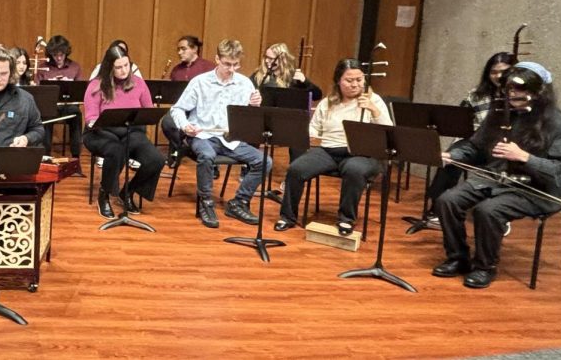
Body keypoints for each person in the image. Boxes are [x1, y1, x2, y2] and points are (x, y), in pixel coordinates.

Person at [432, 62, 561, 289]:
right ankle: (458, 257)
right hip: (494, 178)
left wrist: (525, 157)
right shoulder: (500, 114)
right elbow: (474, 147)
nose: (512, 95)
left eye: (519, 90)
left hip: (536, 188)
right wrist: (452, 155)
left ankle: (484, 267)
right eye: (509, 90)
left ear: (538, 92)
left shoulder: (558, 125)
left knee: (488, 211)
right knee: (447, 201)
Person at [273, 59, 392, 235]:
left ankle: (346, 219)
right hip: (329, 151)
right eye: (349, 80)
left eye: (359, 80)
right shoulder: (328, 102)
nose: (355, 85)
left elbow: (389, 131)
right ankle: (287, 216)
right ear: (338, 81)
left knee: (354, 170)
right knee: (296, 168)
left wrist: (374, 110)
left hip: (363, 154)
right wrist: (303, 133)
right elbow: (314, 129)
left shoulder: (373, 100)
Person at [161, 39, 266, 228]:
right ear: (217, 59)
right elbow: (177, 109)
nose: (232, 69)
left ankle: (239, 202)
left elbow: (250, 118)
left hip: (230, 139)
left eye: (236, 64)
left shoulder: (244, 83)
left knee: (264, 161)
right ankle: (206, 202)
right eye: (227, 64)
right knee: (207, 155)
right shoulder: (200, 82)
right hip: (203, 135)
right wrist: (185, 126)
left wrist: (255, 106)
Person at [423, 52, 518, 228]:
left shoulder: (518, 96)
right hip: (475, 144)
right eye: (493, 72)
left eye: (503, 72)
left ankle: (499, 216)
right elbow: (458, 122)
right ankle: (437, 209)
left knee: (500, 165)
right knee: (449, 160)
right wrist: (452, 151)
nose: (498, 76)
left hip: (503, 148)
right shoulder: (476, 95)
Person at [83, 46, 165, 219]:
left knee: (156, 160)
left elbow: (148, 110)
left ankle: (127, 192)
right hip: (100, 133)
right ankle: (104, 195)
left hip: (130, 131)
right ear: (109, 68)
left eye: (126, 65)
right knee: (116, 150)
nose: (124, 70)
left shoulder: (138, 82)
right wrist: (94, 122)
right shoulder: (96, 85)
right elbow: (91, 117)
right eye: (118, 67)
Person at [34, 34, 83, 159]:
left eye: (62, 54)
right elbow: (38, 90)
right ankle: (45, 156)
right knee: (45, 114)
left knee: (76, 113)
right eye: (55, 55)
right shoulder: (43, 67)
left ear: (66, 52)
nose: (59, 58)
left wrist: (69, 84)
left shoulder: (75, 67)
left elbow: (80, 90)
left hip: (69, 105)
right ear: (51, 54)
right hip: (51, 106)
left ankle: (76, 156)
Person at [249, 42, 322, 102]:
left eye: (271, 59)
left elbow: (317, 95)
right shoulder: (258, 75)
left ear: (282, 60)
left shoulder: (293, 78)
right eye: (266, 57)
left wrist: (305, 81)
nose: (267, 61)